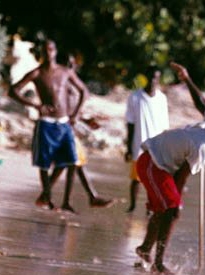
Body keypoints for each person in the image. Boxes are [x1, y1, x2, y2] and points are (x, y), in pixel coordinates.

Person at [134, 62, 205, 274]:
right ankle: (158, 262)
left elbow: (201, 102)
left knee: (163, 208)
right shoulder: (204, 148)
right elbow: (180, 177)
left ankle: (145, 249)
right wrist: (174, 199)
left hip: (160, 163)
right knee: (173, 210)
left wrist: (186, 78)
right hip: (152, 162)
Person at [9, 39, 86, 212]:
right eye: (45, 50)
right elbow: (13, 90)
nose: (49, 53)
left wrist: (76, 114)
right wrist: (36, 105)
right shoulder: (37, 73)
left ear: (55, 51)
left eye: (51, 49)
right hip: (46, 123)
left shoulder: (65, 72)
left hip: (64, 122)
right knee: (44, 163)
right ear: (42, 53)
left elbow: (83, 91)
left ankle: (61, 199)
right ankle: (48, 196)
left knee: (71, 160)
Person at [48, 53, 113, 209]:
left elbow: (72, 110)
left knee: (73, 162)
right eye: (68, 65)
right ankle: (81, 198)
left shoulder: (71, 83)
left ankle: (59, 197)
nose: (72, 68)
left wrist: (86, 121)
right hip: (60, 128)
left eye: (73, 65)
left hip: (68, 128)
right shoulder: (59, 83)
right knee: (73, 161)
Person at [125, 66, 170, 213]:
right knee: (136, 178)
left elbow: (165, 126)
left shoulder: (162, 99)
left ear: (159, 79)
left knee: (154, 179)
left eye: (155, 78)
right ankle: (132, 206)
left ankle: (150, 207)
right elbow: (130, 123)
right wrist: (128, 147)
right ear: (145, 77)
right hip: (139, 144)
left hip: (157, 146)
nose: (152, 80)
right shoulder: (135, 97)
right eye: (150, 77)